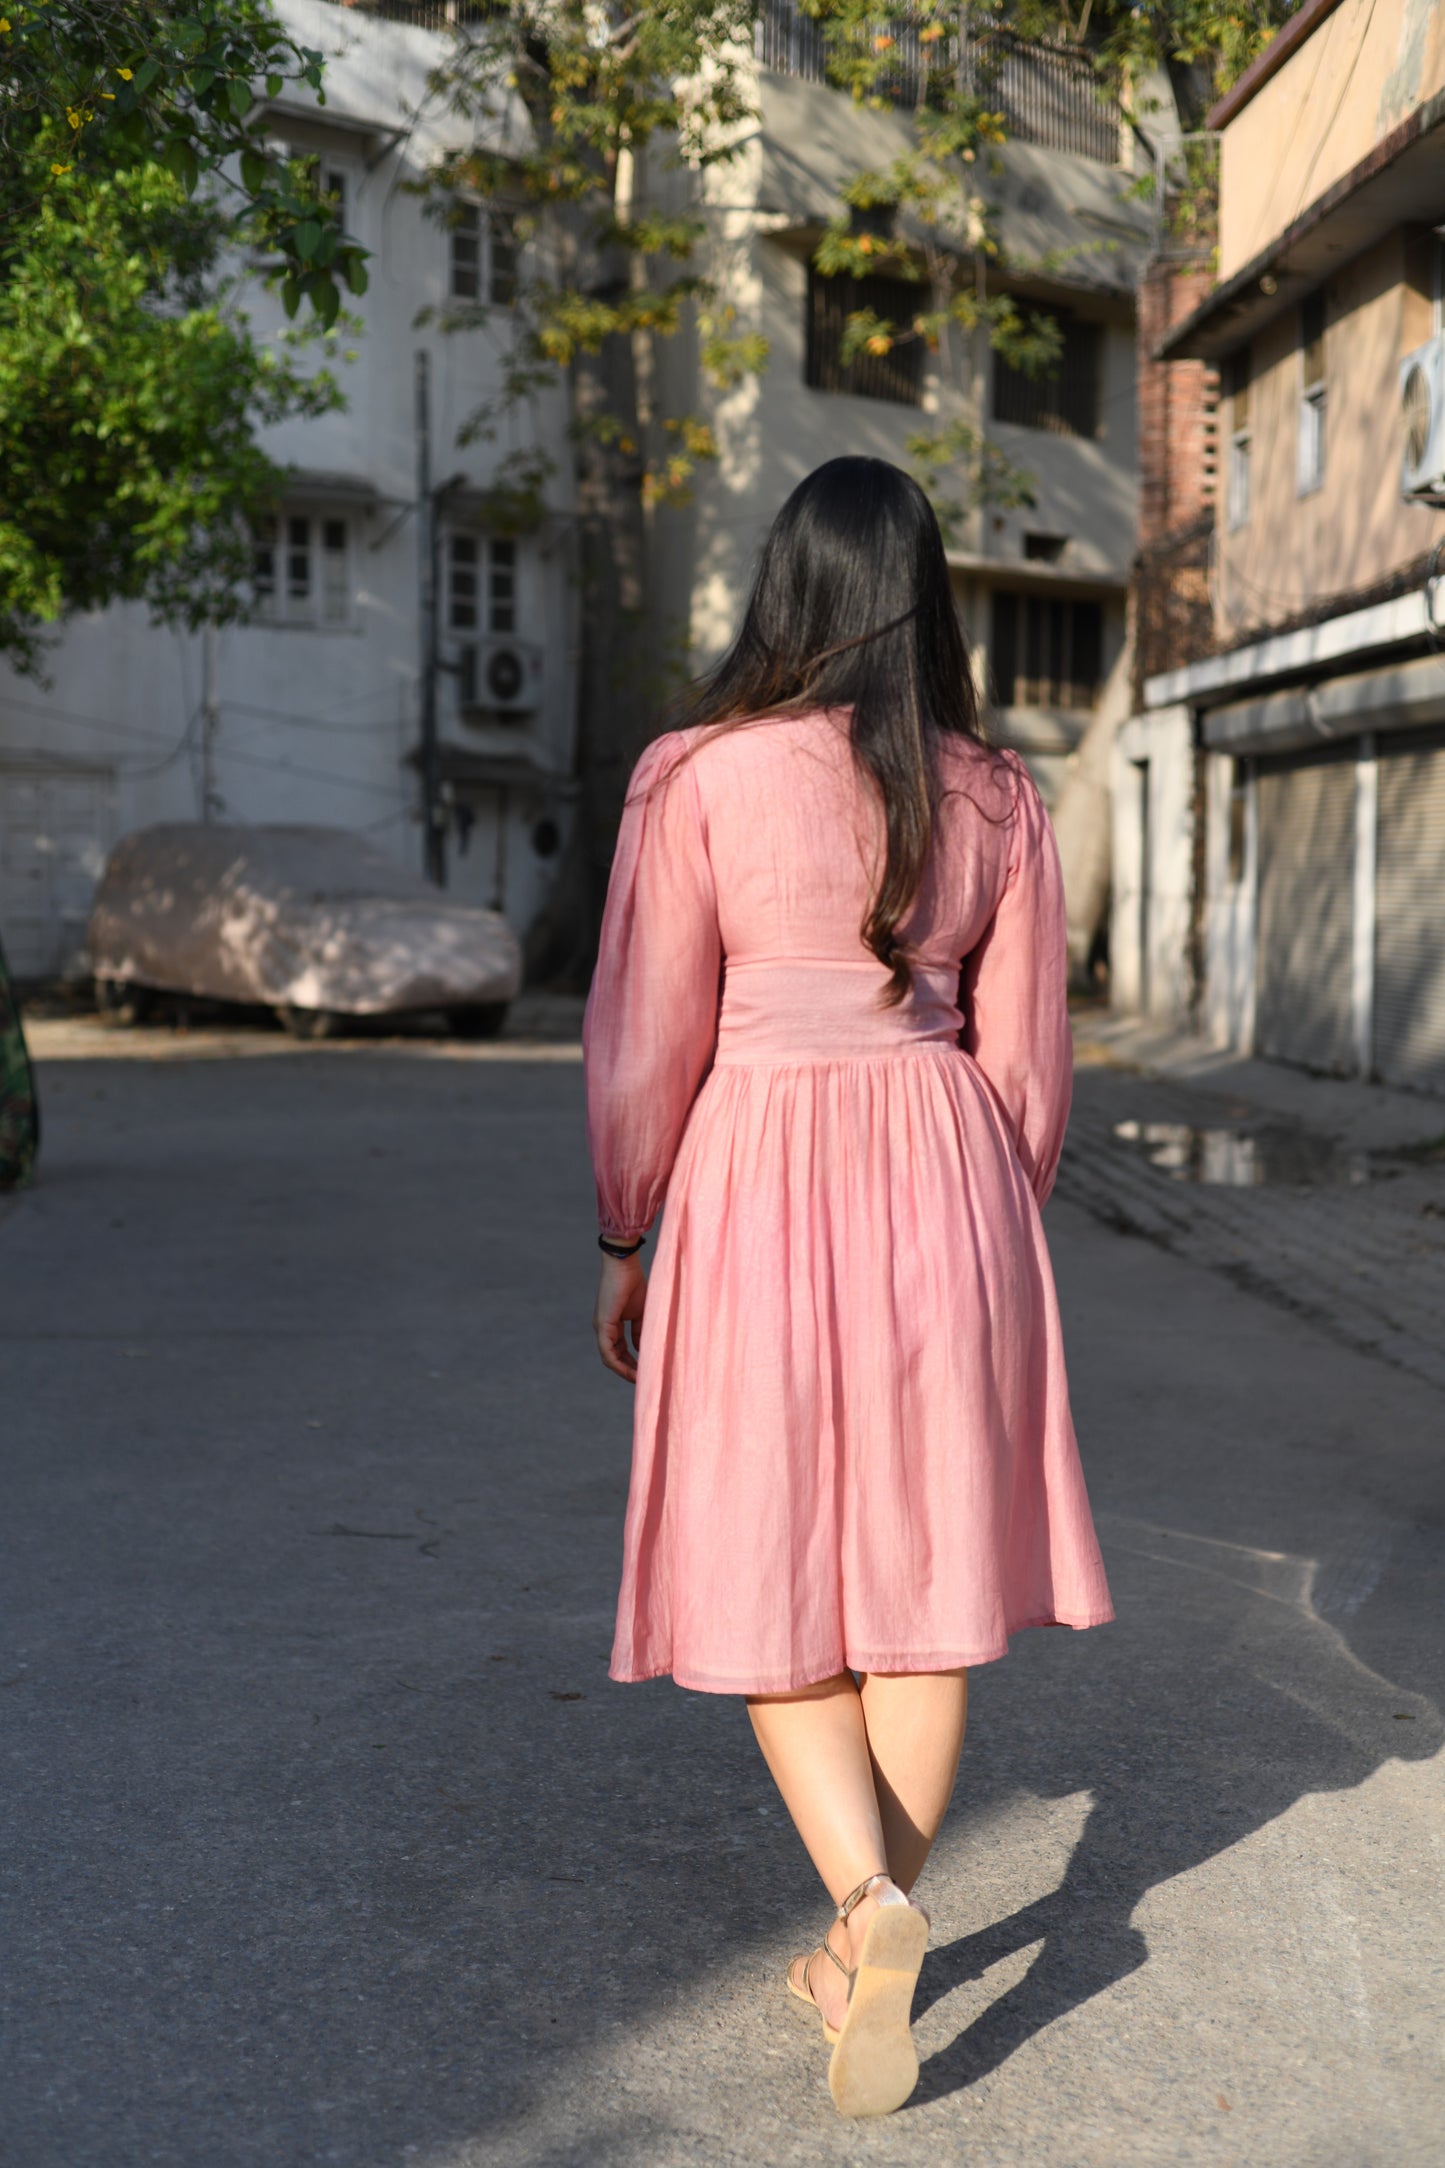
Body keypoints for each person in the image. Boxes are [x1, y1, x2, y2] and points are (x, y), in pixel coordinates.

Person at [583, 456, 1113, 2119]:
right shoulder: (997, 792)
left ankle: (872, 1913)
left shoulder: (696, 776)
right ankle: (866, 1929)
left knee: (764, 1564)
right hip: (945, 1176)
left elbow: (645, 1035)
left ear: (785, 586)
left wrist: (625, 1230)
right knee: (920, 1577)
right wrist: (982, 1229)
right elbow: (1026, 1064)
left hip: (758, 1173)